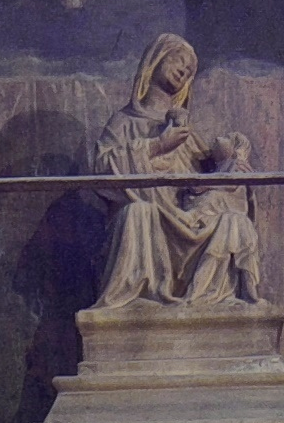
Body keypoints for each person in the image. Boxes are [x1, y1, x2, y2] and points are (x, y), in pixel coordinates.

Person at [91, 36, 265, 309]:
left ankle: (213, 295)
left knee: (234, 221)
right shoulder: (124, 122)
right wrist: (157, 146)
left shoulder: (190, 137)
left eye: (190, 71)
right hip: (152, 224)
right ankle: (138, 297)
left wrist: (232, 166)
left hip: (191, 217)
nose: (184, 71)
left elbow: (208, 183)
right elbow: (100, 172)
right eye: (178, 60)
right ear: (155, 60)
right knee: (138, 213)